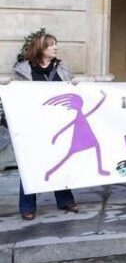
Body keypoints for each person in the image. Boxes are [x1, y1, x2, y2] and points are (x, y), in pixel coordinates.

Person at [12, 33, 79, 220]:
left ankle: (65, 200)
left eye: (56, 45)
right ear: (41, 48)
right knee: (31, 164)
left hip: (58, 125)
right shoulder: (23, 70)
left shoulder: (62, 69)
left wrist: (75, 86)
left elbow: (71, 95)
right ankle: (27, 206)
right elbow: (19, 97)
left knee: (60, 162)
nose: (56, 48)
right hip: (33, 126)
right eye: (52, 45)